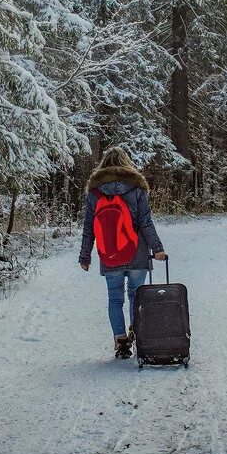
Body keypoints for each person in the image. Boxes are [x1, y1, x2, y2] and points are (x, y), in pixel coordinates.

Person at [78, 147, 166, 358]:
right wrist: (158, 248)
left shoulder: (95, 192)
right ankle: (136, 332)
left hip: (110, 254)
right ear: (126, 162)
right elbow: (145, 222)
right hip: (137, 252)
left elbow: (89, 226)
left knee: (115, 299)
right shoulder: (137, 188)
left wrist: (85, 256)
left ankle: (121, 341)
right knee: (137, 296)